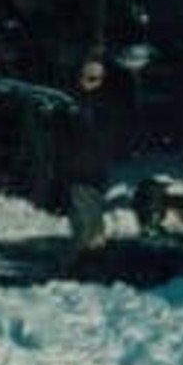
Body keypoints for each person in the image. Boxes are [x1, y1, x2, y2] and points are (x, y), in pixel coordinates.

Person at [63, 57, 112, 256]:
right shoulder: (77, 100)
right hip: (89, 164)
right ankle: (93, 245)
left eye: (95, 78)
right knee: (89, 205)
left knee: (84, 208)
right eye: (88, 77)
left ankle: (84, 249)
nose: (90, 81)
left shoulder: (90, 103)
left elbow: (86, 132)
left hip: (86, 164)